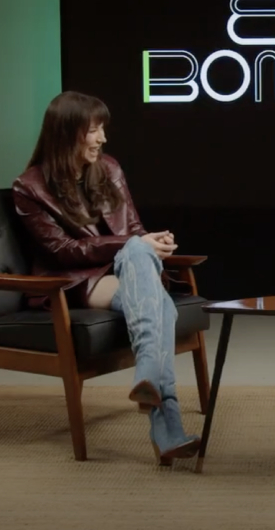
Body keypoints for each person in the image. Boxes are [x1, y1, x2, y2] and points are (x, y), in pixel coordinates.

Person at [12, 91, 200, 464]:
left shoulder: (109, 168)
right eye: (94, 130)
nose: (102, 138)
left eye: (102, 129)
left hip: (123, 267)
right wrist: (134, 244)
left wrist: (153, 242)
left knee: (143, 266)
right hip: (73, 280)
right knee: (160, 303)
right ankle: (166, 422)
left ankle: (153, 393)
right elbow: (62, 251)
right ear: (67, 133)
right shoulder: (29, 187)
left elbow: (134, 229)